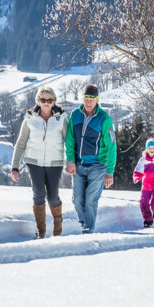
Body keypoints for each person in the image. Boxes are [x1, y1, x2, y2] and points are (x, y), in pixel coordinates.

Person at [11, 86, 69, 238]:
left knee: (52, 197)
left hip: (55, 162)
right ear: (38, 101)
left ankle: (57, 227)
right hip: (33, 161)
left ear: (54, 101)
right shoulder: (30, 118)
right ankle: (41, 232)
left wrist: (71, 161)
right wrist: (15, 166)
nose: (46, 103)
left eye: (49, 100)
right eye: (43, 100)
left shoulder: (61, 118)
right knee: (38, 194)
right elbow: (21, 142)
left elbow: (69, 142)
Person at [64, 84, 117, 234]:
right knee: (77, 200)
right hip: (79, 164)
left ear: (97, 100)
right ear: (83, 98)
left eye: (92, 99)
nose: (89, 102)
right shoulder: (75, 115)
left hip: (98, 166)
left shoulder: (104, 118)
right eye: (87, 98)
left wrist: (110, 171)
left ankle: (88, 231)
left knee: (91, 201)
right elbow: (70, 140)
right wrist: (70, 160)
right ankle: (84, 224)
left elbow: (112, 145)